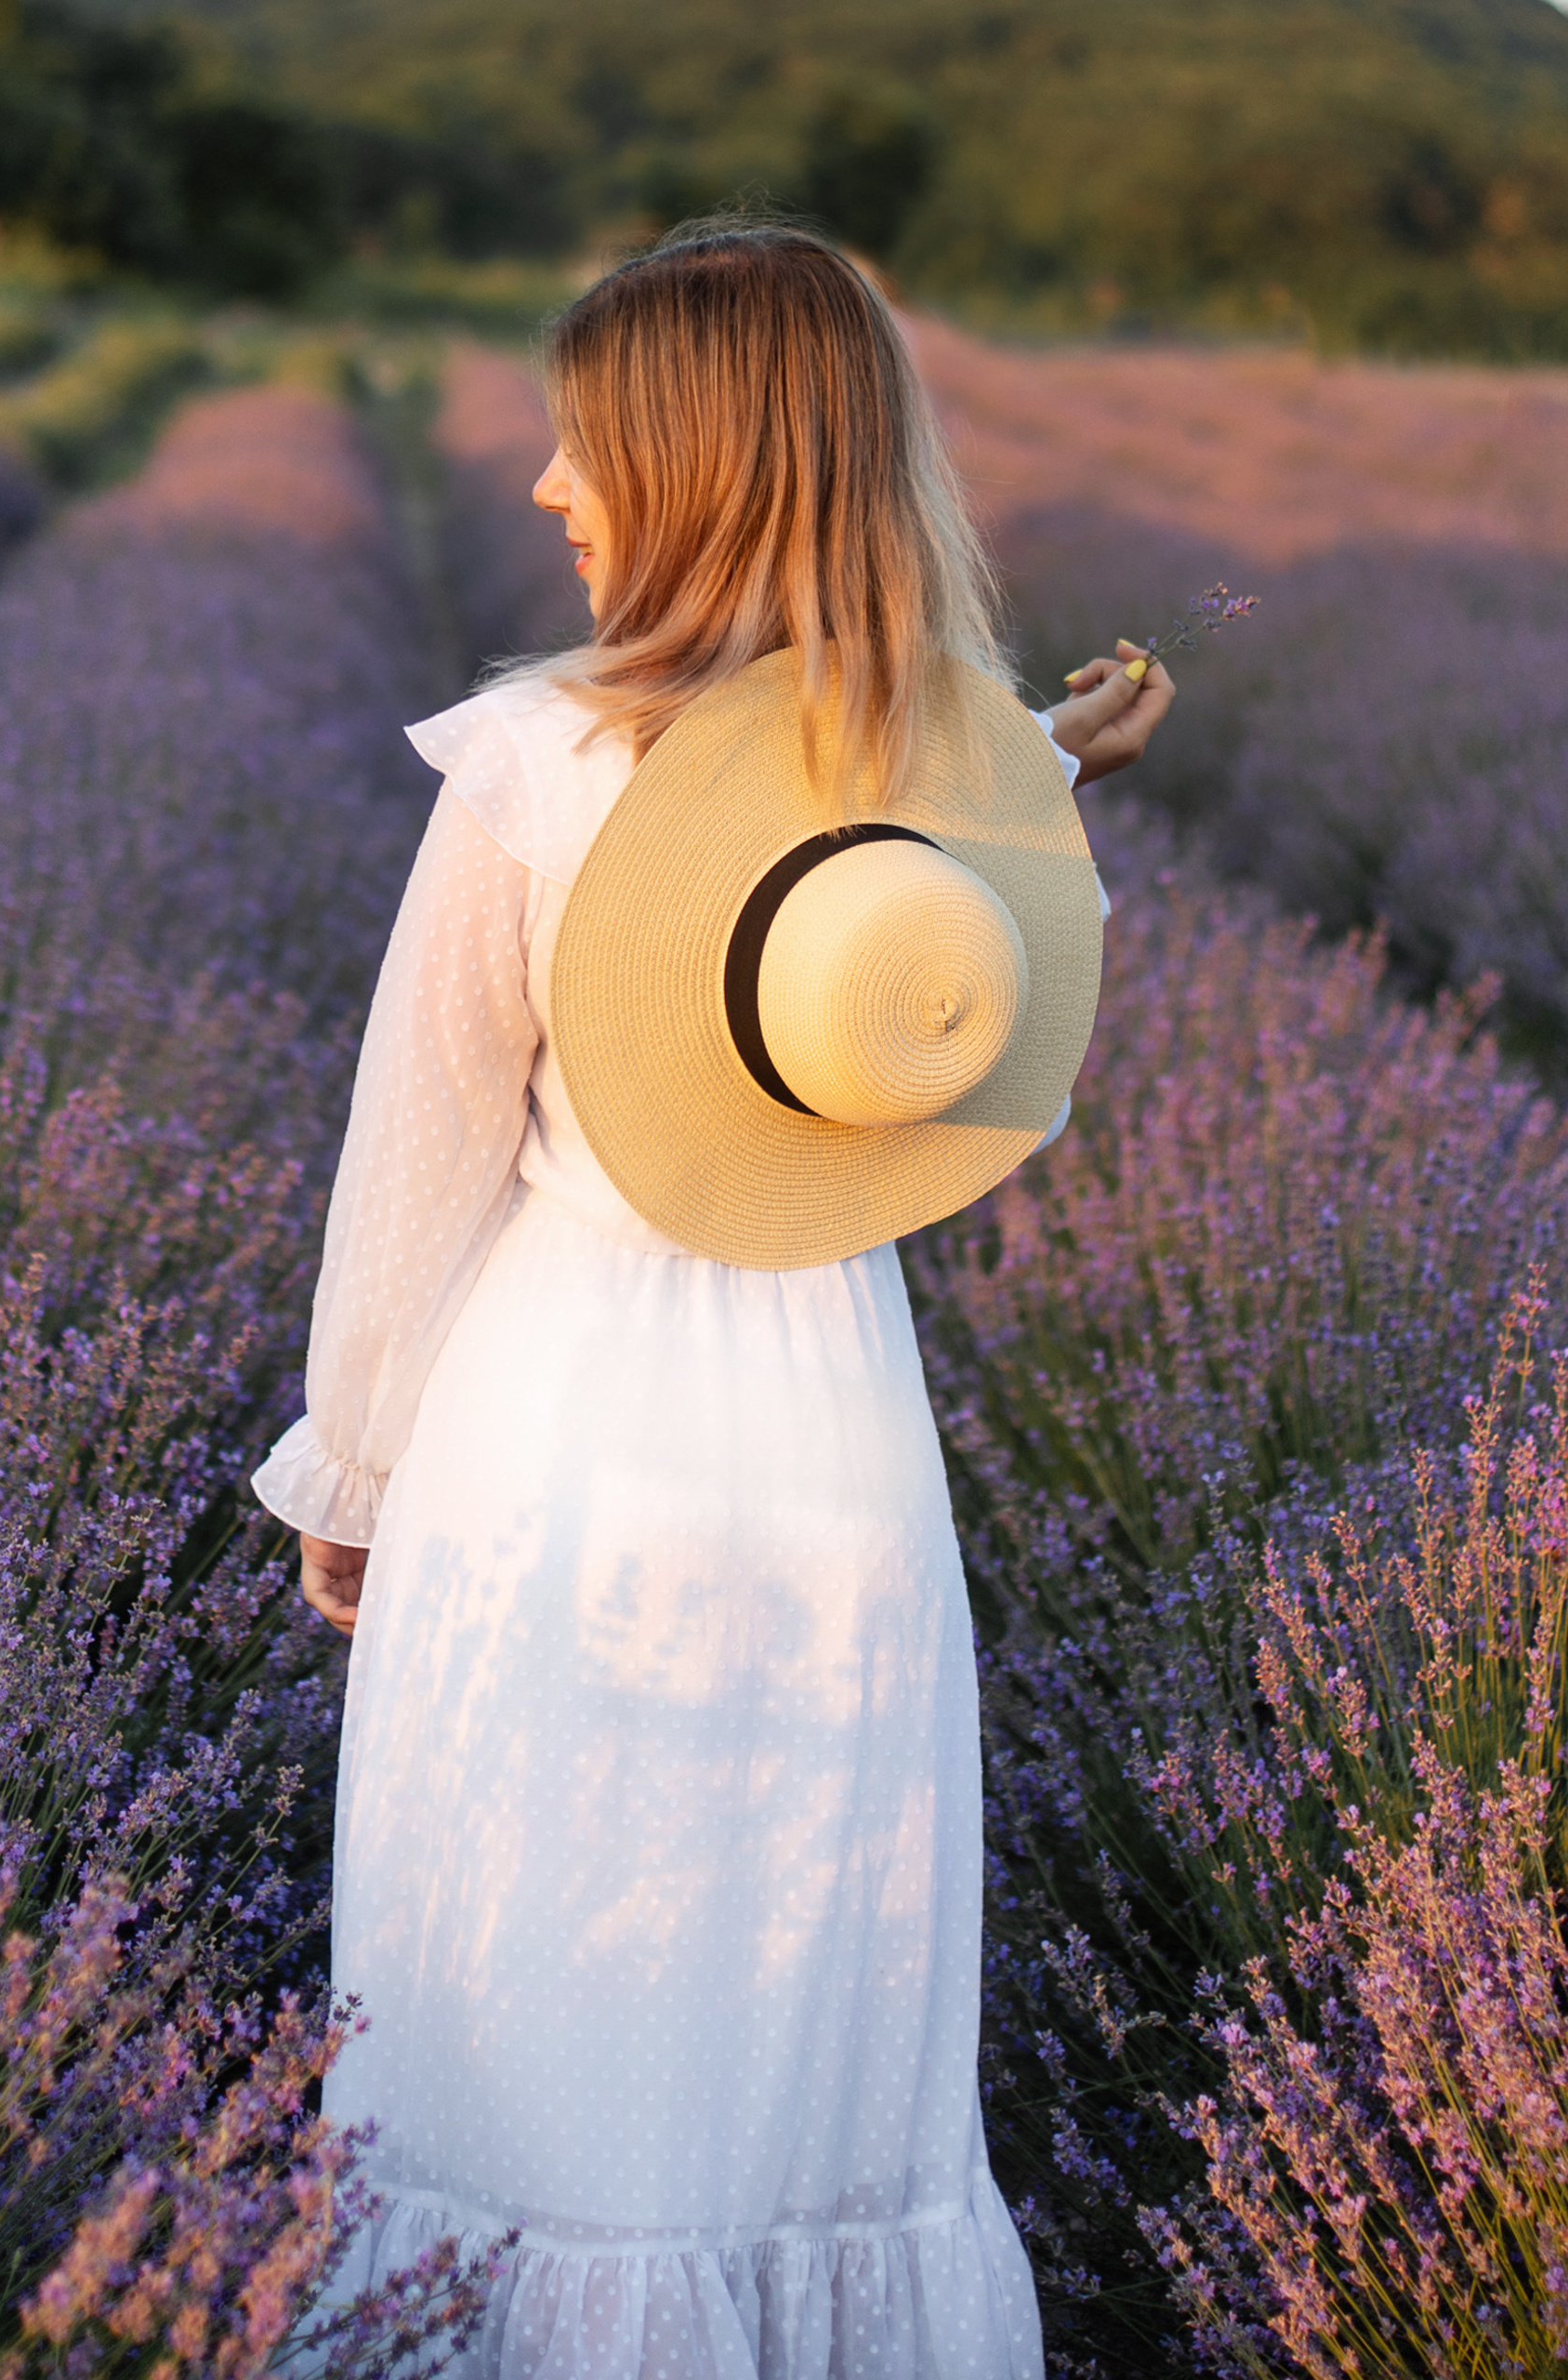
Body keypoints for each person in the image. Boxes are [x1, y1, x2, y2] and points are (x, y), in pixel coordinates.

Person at [255, 222, 1173, 2380]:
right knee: (798, 2046)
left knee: (540, 2034)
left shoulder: (534, 764)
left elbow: (412, 1165)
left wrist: (356, 1469)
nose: (551, 492)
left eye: (584, 452)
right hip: (833, 1473)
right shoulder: (939, 788)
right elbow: (863, 932)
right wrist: (1045, 762)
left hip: (561, 1457)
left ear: (693, 475)